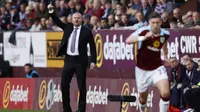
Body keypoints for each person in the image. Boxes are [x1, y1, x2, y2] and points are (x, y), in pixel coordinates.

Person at [47, 3, 97, 112]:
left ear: (82, 19)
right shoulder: (68, 27)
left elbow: (93, 47)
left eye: (79, 18)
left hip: (80, 61)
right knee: (64, 85)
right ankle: (66, 109)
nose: (77, 20)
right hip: (68, 60)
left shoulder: (87, 31)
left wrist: (93, 61)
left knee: (81, 87)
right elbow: (57, 21)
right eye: (75, 18)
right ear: (72, 19)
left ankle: (81, 110)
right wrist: (51, 11)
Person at [126, 12, 170, 112]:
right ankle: (142, 109)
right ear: (149, 23)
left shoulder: (165, 33)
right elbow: (128, 40)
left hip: (157, 68)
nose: (155, 25)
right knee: (142, 98)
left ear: (161, 22)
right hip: (142, 69)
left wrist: (166, 56)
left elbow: (164, 44)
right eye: (153, 23)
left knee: (166, 93)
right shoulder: (143, 31)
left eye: (157, 22)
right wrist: (143, 37)